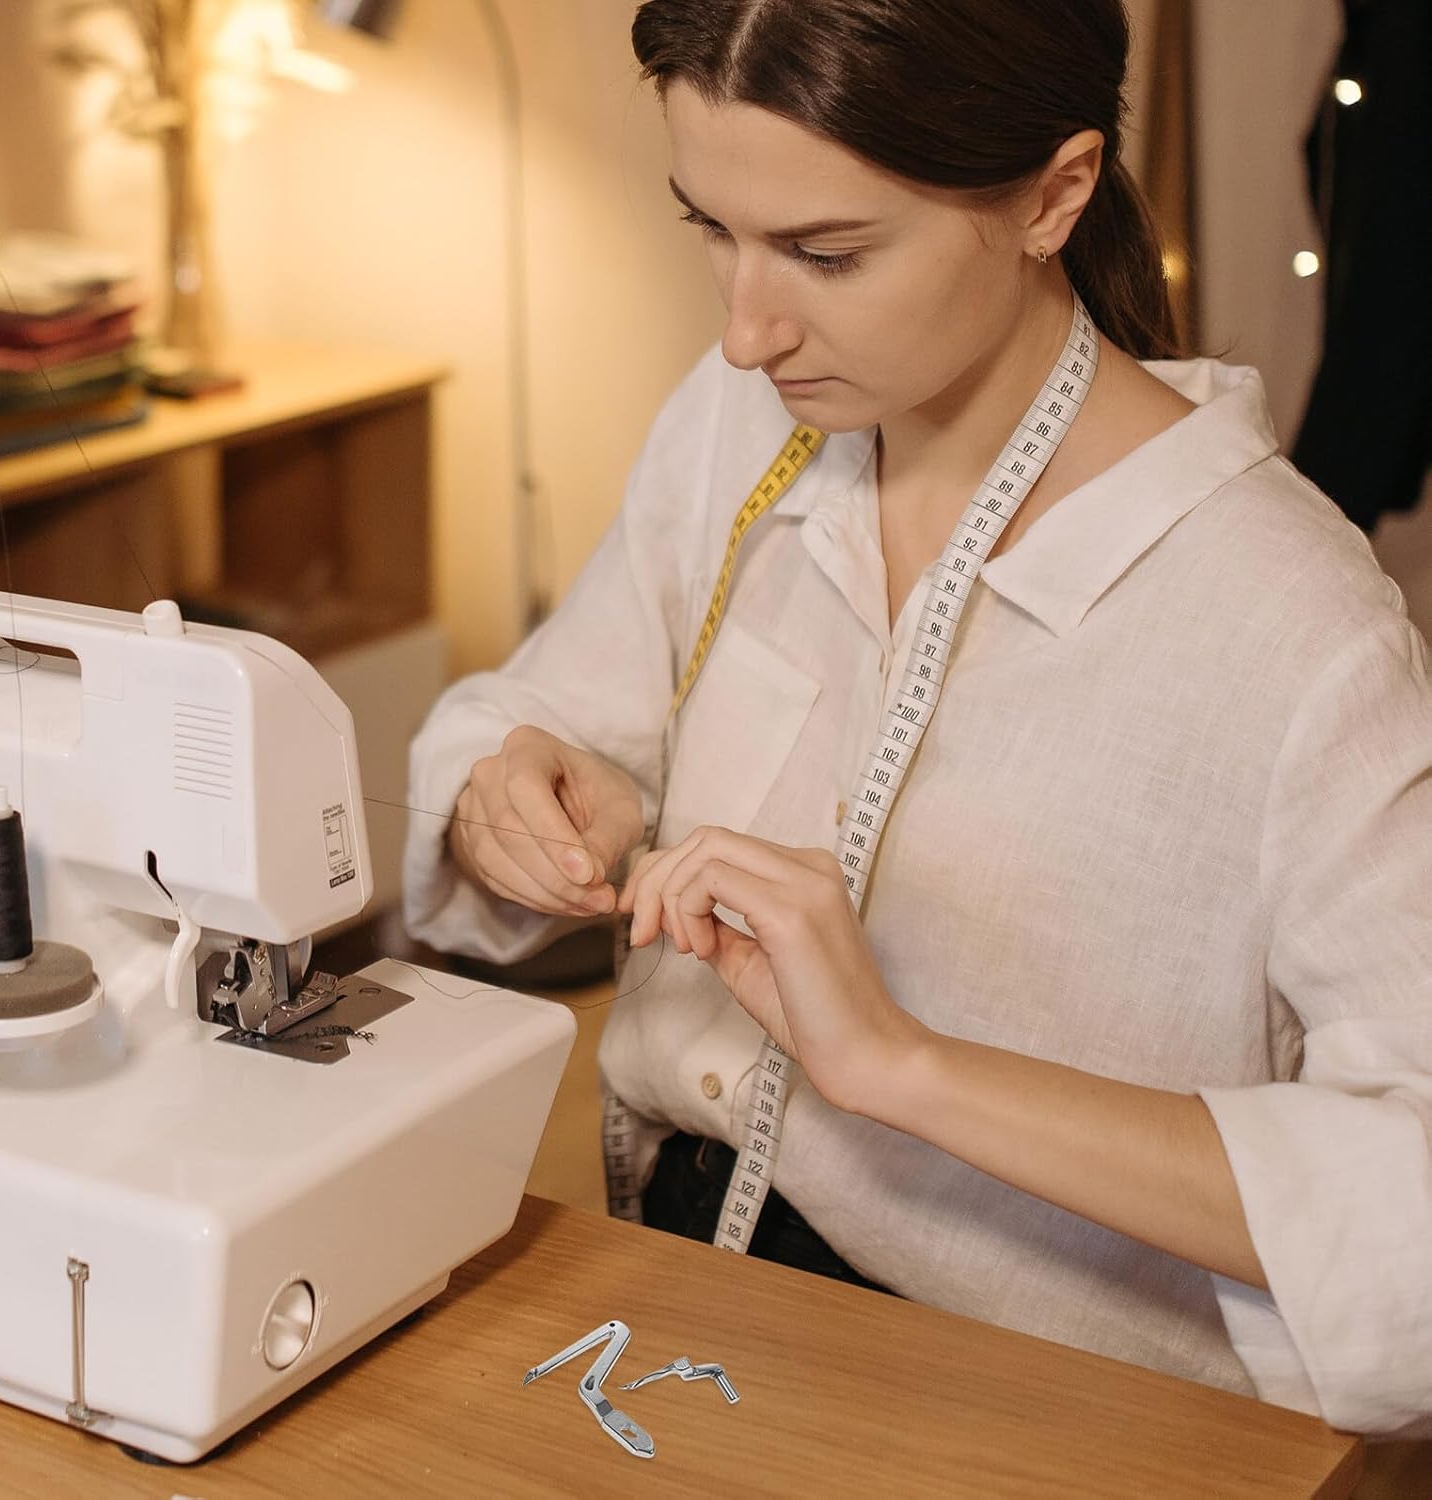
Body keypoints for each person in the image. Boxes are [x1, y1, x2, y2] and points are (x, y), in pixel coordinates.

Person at [404, 0, 1432, 1437]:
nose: (747, 332)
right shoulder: (744, 430)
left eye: (826, 255)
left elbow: (1409, 1210)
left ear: (1055, 196)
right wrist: (515, 794)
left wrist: (906, 1066)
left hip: (1050, 1398)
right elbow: (533, 717)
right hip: (678, 1271)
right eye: (713, 229)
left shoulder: (1291, 623)